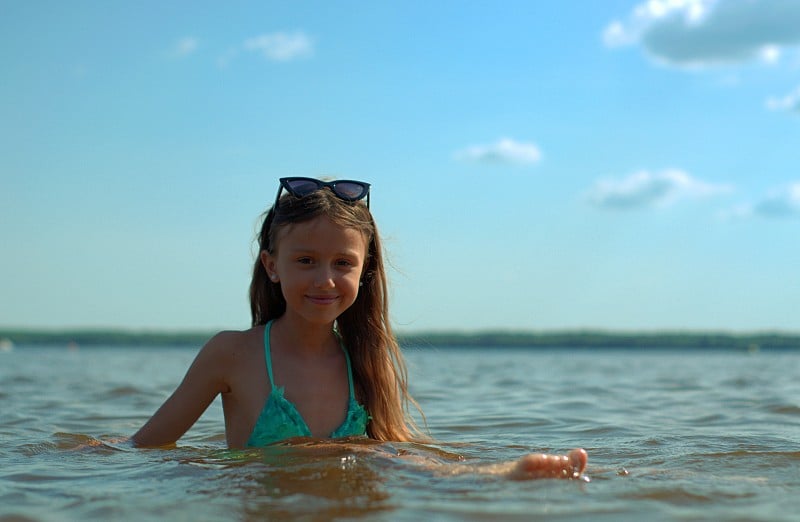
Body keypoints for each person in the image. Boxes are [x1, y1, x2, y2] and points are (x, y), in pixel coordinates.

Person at [132, 177, 588, 480]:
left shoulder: (366, 361)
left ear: (364, 269)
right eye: (305, 261)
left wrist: (501, 474)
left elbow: (404, 460)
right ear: (272, 266)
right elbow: (145, 448)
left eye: (342, 263)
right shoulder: (232, 354)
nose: (325, 280)